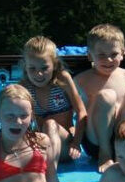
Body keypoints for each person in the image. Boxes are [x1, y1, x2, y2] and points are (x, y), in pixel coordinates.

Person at [73, 24, 125, 173]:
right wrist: (72, 138)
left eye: (114, 54)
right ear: (90, 55)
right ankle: (106, 152)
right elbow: (73, 110)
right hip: (96, 142)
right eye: (101, 55)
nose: (108, 59)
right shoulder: (81, 80)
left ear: (122, 53)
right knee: (106, 96)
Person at [19, 36, 87, 166]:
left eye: (44, 68)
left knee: (50, 124)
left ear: (54, 65)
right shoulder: (24, 87)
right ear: (25, 66)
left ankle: (51, 173)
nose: (39, 74)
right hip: (41, 146)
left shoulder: (62, 80)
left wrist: (76, 143)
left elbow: (81, 112)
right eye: (32, 69)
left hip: (65, 146)